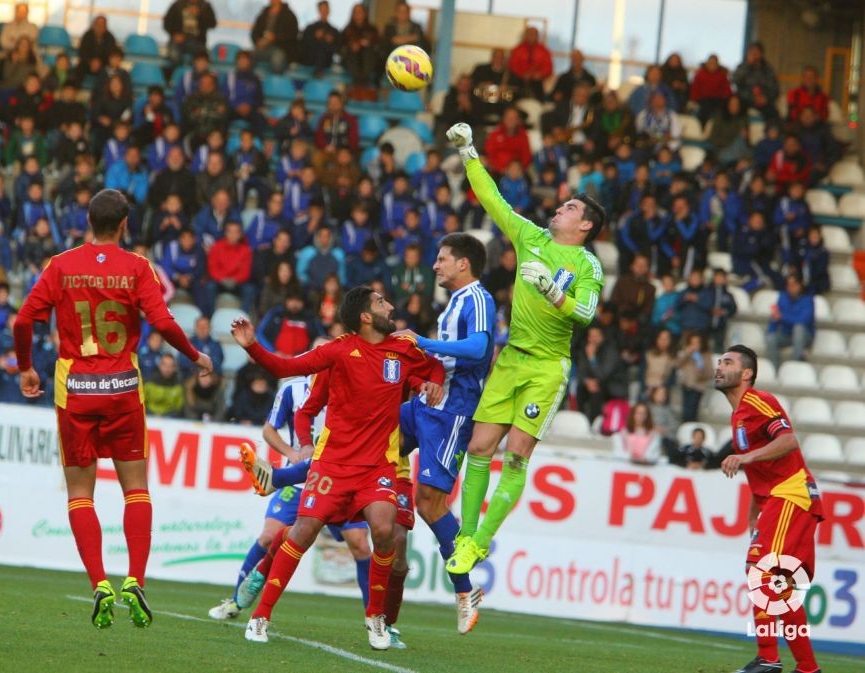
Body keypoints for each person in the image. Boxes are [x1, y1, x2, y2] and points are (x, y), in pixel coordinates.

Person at [13, 189, 213, 629]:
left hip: (77, 391)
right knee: (135, 488)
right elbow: (162, 322)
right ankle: (135, 579)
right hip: (123, 388)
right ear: (124, 224)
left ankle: (99, 582)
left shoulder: (60, 264)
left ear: (88, 220)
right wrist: (195, 355)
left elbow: (23, 320)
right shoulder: (139, 267)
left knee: (80, 494)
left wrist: (27, 368)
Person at [229, 286, 445, 648]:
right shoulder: (339, 349)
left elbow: (435, 365)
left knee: (384, 528)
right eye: (380, 302)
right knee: (302, 532)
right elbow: (286, 367)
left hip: (378, 466)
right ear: (365, 316)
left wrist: (433, 384)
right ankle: (260, 616)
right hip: (333, 465)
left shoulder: (403, 349)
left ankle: (376, 619)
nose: (389, 306)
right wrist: (251, 344)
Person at [444, 122, 605, 575]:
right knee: (479, 448)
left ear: (585, 225)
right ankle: (465, 536)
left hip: (547, 368)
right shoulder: (531, 237)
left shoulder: (587, 264)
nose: (559, 208)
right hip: (511, 358)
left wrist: (554, 292)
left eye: (569, 207)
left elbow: (587, 313)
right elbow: (492, 199)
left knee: (515, 455)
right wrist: (469, 151)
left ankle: (479, 542)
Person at [207, 369, 371, 623]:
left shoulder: (350, 387)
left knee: (360, 544)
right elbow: (268, 430)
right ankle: (235, 602)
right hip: (299, 482)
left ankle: (376, 619)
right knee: (268, 536)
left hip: (338, 482)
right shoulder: (293, 389)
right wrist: (291, 454)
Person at [392, 233, 495, 634]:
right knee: (366, 439)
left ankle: (465, 590)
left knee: (430, 504)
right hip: (425, 403)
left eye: (441, 259)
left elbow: (479, 348)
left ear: (463, 264)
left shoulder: (477, 299)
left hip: (451, 413)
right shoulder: (454, 302)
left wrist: (422, 341)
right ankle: (281, 479)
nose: (435, 265)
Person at [714, 345, 822, 673]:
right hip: (783, 497)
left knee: (759, 569)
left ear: (746, 373)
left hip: (792, 494)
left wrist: (744, 457)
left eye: (728, 362)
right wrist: (752, 512)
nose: (719, 366)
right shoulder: (738, 417)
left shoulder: (758, 401)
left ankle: (768, 659)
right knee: (782, 585)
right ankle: (808, 668)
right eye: (719, 361)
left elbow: (788, 440)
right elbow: (763, 469)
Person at [765, 273, 815, 367]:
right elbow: (776, 316)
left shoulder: (808, 300)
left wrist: (783, 317)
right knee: (770, 338)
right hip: (786, 334)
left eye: (793, 285)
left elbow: (803, 320)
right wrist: (771, 330)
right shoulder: (782, 297)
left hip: (805, 336)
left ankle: (794, 364)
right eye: (788, 285)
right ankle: (775, 369)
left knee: (798, 328)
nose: (790, 288)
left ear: (800, 285)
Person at [163, 0, 217, 69]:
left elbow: (213, 24)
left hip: (198, 41)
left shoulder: (205, 6)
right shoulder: (177, 5)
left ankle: (194, 77)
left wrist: (200, 14)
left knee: (202, 59)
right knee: (173, 55)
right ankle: (176, 76)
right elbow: (166, 23)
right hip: (178, 40)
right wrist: (174, 34)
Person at [250, 0, 299, 75]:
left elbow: (292, 35)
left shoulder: (289, 15)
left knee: (277, 62)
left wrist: (275, 38)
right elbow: (255, 32)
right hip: (263, 48)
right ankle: (250, 82)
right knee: (246, 59)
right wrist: (257, 41)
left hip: (281, 49)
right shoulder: (264, 14)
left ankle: (274, 84)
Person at [301, 1, 340, 74]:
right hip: (311, 59)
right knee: (319, 48)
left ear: (329, 10)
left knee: (322, 48)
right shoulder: (310, 28)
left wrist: (330, 41)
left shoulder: (334, 31)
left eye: (325, 9)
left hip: (326, 61)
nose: (324, 11)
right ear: (318, 10)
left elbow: (337, 49)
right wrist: (314, 37)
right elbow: (304, 45)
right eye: (322, 9)